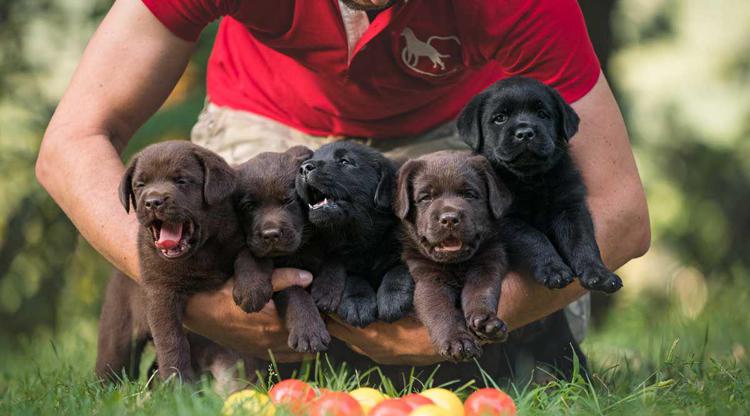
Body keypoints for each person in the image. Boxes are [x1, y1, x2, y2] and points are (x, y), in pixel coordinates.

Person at [35, 0, 650, 369]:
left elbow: (620, 211)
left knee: (511, 364)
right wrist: (199, 299)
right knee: (237, 267)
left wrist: (428, 334)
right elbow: (72, 144)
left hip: (444, 133)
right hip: (265, 119)